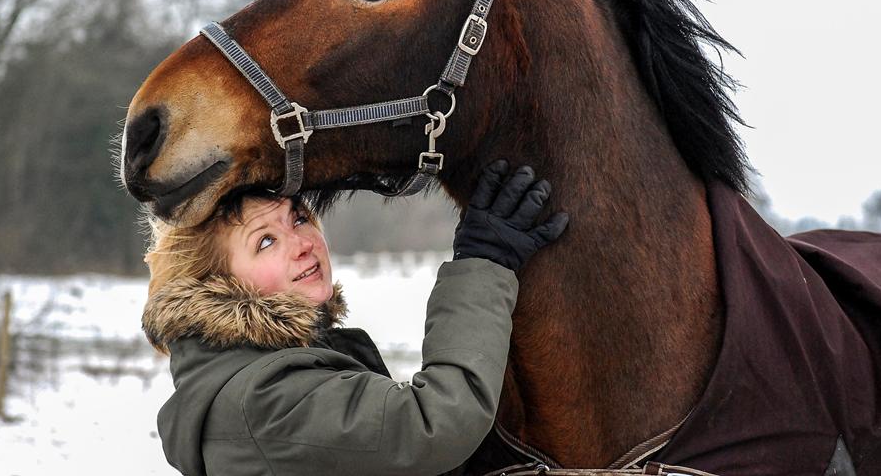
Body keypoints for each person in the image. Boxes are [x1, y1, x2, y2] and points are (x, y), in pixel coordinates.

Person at [142, 160, 568, 476]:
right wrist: (483, 260)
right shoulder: (264, 399)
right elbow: (435, 424)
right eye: (266, 241)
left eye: (299, 217)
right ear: (215, 283)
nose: (303, 243)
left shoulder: (277, 371)